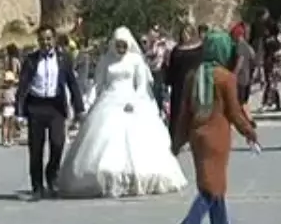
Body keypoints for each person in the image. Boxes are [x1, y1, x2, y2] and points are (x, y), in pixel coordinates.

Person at [57, 26, 188, 198]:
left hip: (131, 101)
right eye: (118, 45)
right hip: (109, 100)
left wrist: (134, 101)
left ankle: (135, 177)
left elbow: (142, 85)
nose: (121, 49)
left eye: (123, 45)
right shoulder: (106, 61)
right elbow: (99, 84)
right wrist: (89, 103)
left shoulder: (135, 61)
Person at [169, 29, 261, 224]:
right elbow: (235, 113)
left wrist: (177, 141)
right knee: (212, 187)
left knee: (211, 181)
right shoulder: (225, 77)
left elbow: (184, 114)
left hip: (197, 137)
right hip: (217, 138)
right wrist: (249, 132)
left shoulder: (193, 75)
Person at [14, 25, 86, 200]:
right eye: (42, 40)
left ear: (53, 40)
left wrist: (79, 108)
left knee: (58, 143)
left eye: (48, 39)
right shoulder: (30, 60)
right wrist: (19, 113)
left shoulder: (64, 59)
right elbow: (23, 86)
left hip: (56, 106)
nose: (45, 43)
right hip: (36, 106)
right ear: (38, 41)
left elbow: (73, 84)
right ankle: (37, 186)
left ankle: (52, 175)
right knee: (36, 149)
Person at [164, 23, 205, 143]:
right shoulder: (177, 50)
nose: (185, 36)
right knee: (178, 110)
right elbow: (172, 68)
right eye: (183, 33)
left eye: (187, 33)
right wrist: (169, 81)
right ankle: (177, 136)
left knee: (194, 108)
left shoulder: (199, 47)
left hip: (195, 82)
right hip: (179, 83)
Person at [229, 22, 256, 109]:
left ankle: (244, 121)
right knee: (243, 104)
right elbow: (253, 56)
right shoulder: (247, 45)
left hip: (240, 79)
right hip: (246, 77)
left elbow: (240, 62)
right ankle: (248, 120)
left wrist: (233, 75)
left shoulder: (240, 45)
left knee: (239, 104)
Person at [0, 71, 18, 147]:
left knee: (11, 124)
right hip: (6, 107)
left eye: (11, 81)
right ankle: (4, 140)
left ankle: (10, 139)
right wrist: (4, 102)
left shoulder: (14, 89)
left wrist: (15, 102)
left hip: (13, 107)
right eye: (8, 81)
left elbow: (17, 97)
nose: (9, 83)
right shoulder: (2, 89)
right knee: (5, 124)